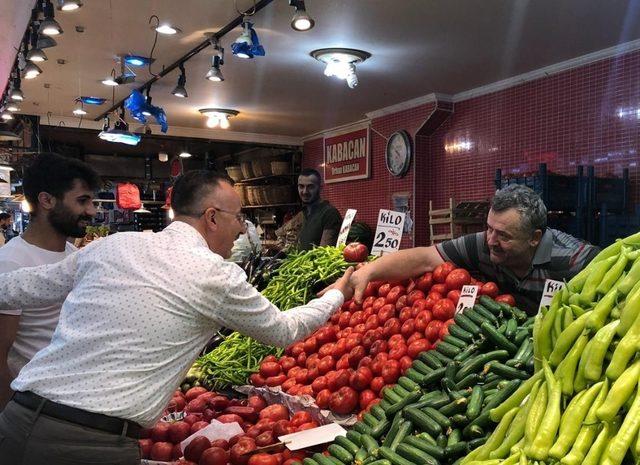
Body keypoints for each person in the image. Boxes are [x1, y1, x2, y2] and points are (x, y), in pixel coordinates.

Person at [0, 170, 354, 464]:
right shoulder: (215, 275)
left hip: (15, 421)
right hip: (90, 446)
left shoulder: (112, 246)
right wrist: (340, 291)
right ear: (212, 217)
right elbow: (285, 330)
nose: (242, 229)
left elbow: (16, 288)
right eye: (239, 218)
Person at [346, 185, 599, 314]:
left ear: (534, 238)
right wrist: (368, 271)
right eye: (489, 228)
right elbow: (424, 257)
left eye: (503, 235)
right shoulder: (482, 244)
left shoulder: (573, 261)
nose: (491, 240)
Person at [0, 153, 99, 410]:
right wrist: (10, 420)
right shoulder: (11, 263)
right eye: (82, 200)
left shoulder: (74, 256)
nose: (91, 211)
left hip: (71, 401)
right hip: (31, 406)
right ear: (47, 200)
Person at [297, 168, 342, 250]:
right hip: (303, 262)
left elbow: (324, 252)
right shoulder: (305, 212)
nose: (305, 192)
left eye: (310, 187)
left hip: (314, 262)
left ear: (320, 188)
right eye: (301, 186)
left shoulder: (329, 213)